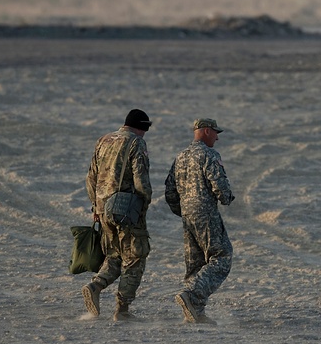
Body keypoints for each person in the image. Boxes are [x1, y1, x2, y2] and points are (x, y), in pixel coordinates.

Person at [82, 108, 153, 321]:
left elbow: (91, 177)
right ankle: (122, 310)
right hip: (126, 210)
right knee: (135, 256)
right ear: (142, 127)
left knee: (114, 254)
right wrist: (145, 203)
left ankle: (95, 285)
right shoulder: (136, 143)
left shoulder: (103, 140)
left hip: (103, 210)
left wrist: (96, 207)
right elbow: (141, 180)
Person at [165, 117, 235, 324]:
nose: (217, 138)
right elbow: (218, 182)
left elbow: (169, 190)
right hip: (205, 213)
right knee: (222, 257)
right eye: (215, 133)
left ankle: (195, 312)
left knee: (195, 263)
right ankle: (191, 294)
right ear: (206, 131)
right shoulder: (209, 154)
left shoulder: (181, 156)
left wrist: (182, 210)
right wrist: (226, 197)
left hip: (187, 215)